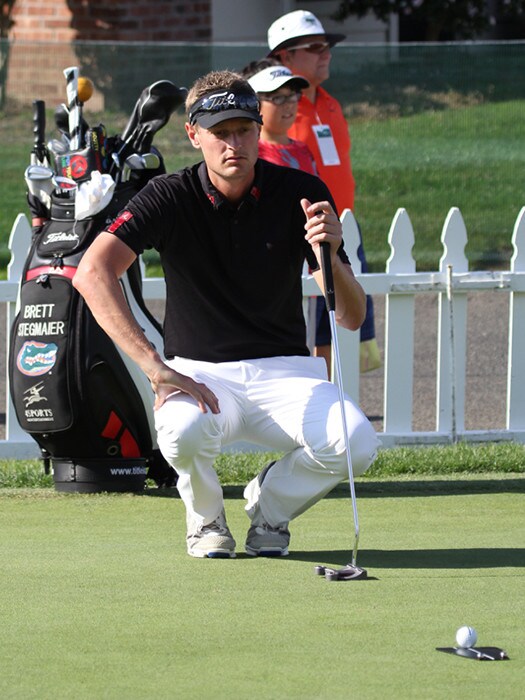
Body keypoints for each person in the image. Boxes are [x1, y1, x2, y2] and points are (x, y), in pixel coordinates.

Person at [73, 70, 379, 560]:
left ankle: (270, 507)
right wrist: (154, 366)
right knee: (181, 431)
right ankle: (207, 518)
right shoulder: (168, 195)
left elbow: (350, 316)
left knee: (356, 442)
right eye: (219, 132)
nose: (233, 143)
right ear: (194, 134)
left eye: (243, 130)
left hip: (288, 375)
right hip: (201, 375)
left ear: (258, 129)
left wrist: (332, 254)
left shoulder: (300, 191)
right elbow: (92, 273)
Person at [267, 9, 381, 373]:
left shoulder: (330, 103)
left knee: (340, 322)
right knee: (312, 325)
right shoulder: (277, 111)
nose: (326, 53)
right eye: (314, 47)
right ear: (285, 56)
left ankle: (333, 389)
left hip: (343, 224)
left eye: (327, 46)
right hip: (306, 232)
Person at [241, 57, 331, 366]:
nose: (288, 104)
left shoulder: (302, 148)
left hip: (309, 258)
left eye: (292, 95)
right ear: (253, 103)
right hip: (273, 263)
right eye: (277, 97)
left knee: (319, 338)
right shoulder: (252, 154)